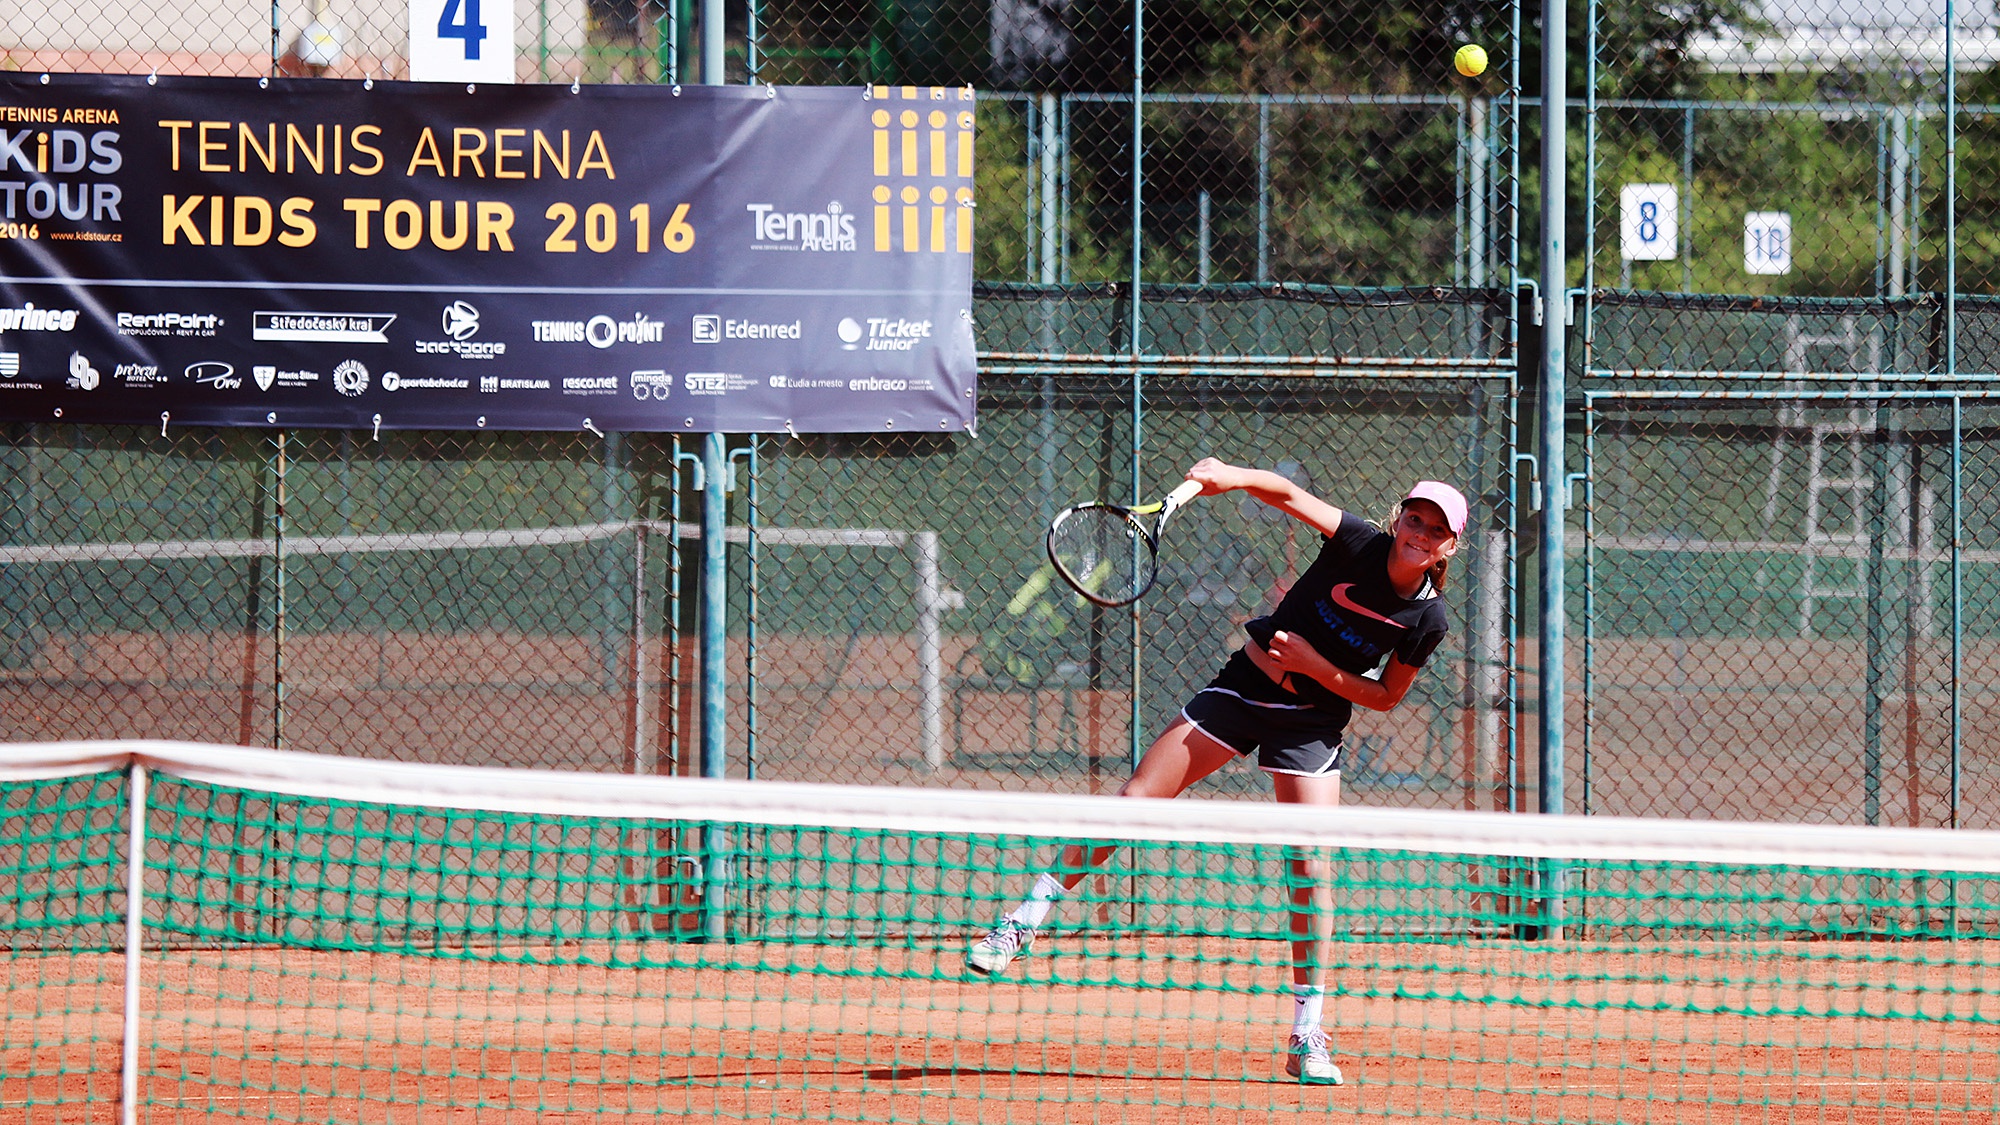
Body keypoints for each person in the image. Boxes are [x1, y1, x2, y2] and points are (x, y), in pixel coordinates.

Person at [965, 458, 1468, 1087]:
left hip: (1311, 724)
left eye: (1436, 530)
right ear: (1400, 520)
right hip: (1243, 689)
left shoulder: (1427, 620)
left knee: (1311, 866)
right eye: (1415, 519)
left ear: (1449, 546)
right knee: (1135, 800)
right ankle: (1021, 923)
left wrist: (1315, 666)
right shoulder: (1358, 540)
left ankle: (1307, 1034)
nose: (1420, 534)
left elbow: (1387, 697)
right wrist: (1230, 473)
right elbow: (1287, 493)